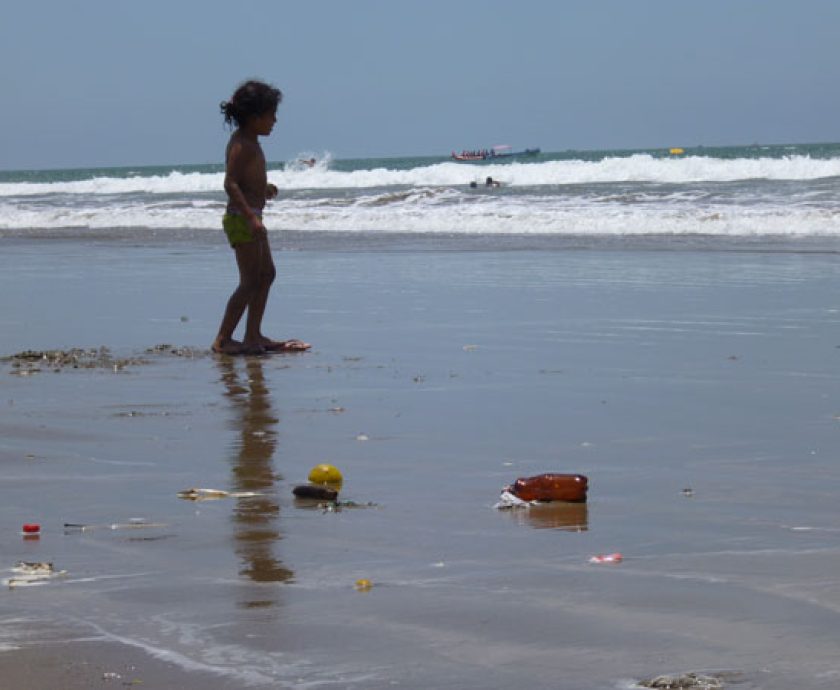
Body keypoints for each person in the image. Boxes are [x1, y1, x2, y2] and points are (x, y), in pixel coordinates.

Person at [212, 80, 310, 355]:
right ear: (254, 117)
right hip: (242, 219)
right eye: (270, 115)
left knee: (266, 274)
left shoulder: (251, 142)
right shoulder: (242, 145)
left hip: (251, 215)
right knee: (250, 281)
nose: (275, 121)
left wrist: (262, 189)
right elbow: (230, 183)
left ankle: (253, 335)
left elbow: (244, 182)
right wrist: (251, 218)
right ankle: (223, 339)